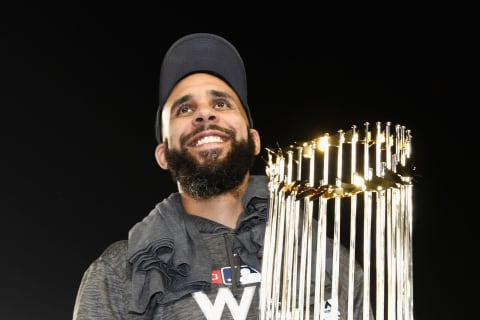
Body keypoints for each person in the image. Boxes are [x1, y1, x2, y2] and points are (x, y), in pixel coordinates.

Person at [72, 32, 371, 320]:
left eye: (221, 103)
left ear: (254, 140)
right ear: (163, 155)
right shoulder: (121, 271)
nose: (205, 114)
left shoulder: (326, 257)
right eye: (185, 109)